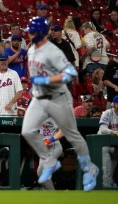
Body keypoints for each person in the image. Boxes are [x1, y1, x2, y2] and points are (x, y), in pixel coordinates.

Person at [21, 17, 98, 192]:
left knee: (72, 134)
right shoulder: (32, 50)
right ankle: (48, 162)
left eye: (32, 31)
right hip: (40, 98)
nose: (30, 34)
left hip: (58, 97)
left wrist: (47, 79)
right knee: (27, 131)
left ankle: (89, 167)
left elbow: (70, 72)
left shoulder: (53, 52)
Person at [97, 95, 118, 187]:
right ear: (113, 104)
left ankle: (108, 184)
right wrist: (113, 132)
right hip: (103, 144)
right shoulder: (107, 113)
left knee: (111, 169)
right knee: (107, 169)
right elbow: (102, 128)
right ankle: (106, 186)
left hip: (115, 146)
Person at [38, 118, 63, 190]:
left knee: (42, 172)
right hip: (44, 148)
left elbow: (62, 131)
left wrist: (49, 141)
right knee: (41, 172)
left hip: (53, 146)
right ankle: (48, 198)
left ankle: (53, 197)